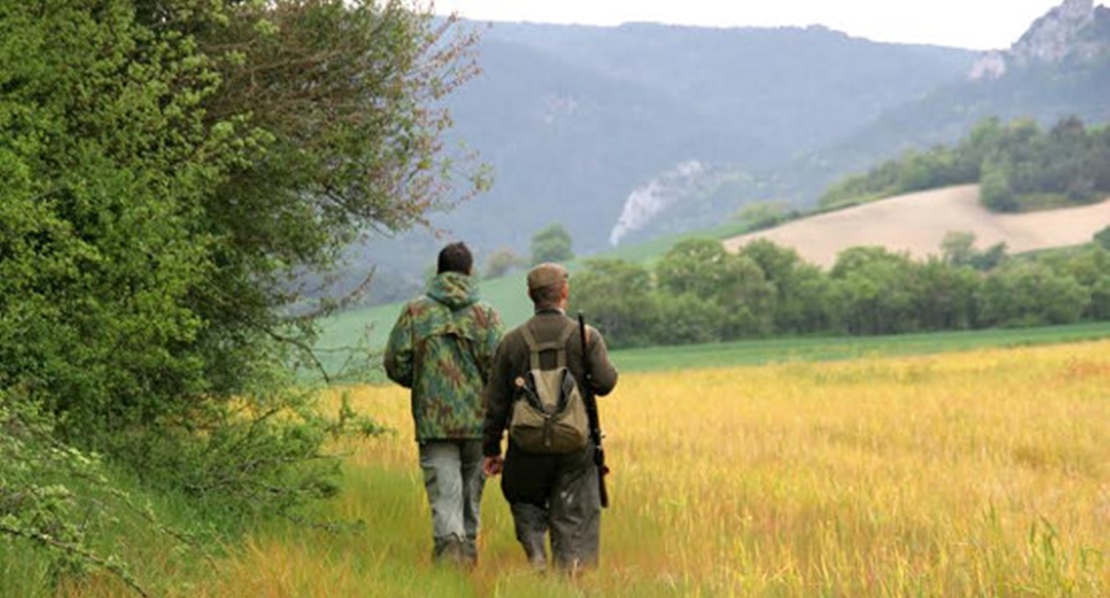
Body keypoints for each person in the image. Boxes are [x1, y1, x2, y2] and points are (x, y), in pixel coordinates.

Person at [481, 262, 619, 573]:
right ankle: (569, 576)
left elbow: (496, 402)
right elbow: (606, 383)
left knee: (523, 496)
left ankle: (536, 553)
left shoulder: (512, 341)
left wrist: (491, 449)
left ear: (531, 295)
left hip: (526, 445)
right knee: (574, 511)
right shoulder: (585, 337)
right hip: (575, 445)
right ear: (564, 292)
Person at [384, 242, 504, 567]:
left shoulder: (415, 311)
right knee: (470, 499)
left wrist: (425, 383)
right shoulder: (487, 315)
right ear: (469, 271)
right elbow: (499, 372)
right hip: (479, 425)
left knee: (444, 498)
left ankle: (451, 566)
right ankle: (467, 565)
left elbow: (395, 362)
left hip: (434, 424)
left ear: (439, 270)